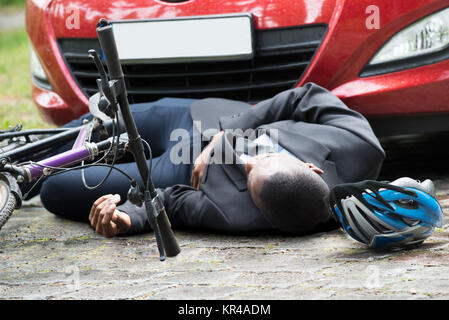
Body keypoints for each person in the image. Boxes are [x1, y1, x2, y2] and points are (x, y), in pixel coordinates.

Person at [37, 82, 385, 237]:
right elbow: (304, 96)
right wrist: (227, 135)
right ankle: (22, 148)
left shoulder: (238, 216)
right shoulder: (359, 145)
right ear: (312, 168)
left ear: (258, 208)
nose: (243, 161)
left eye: (247, 178)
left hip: (173, 170)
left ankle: (18, 178)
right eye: (260, 159)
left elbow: (171, 204)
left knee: (52, 186)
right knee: (96, 123)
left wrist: (128, 219)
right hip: (204, 119)